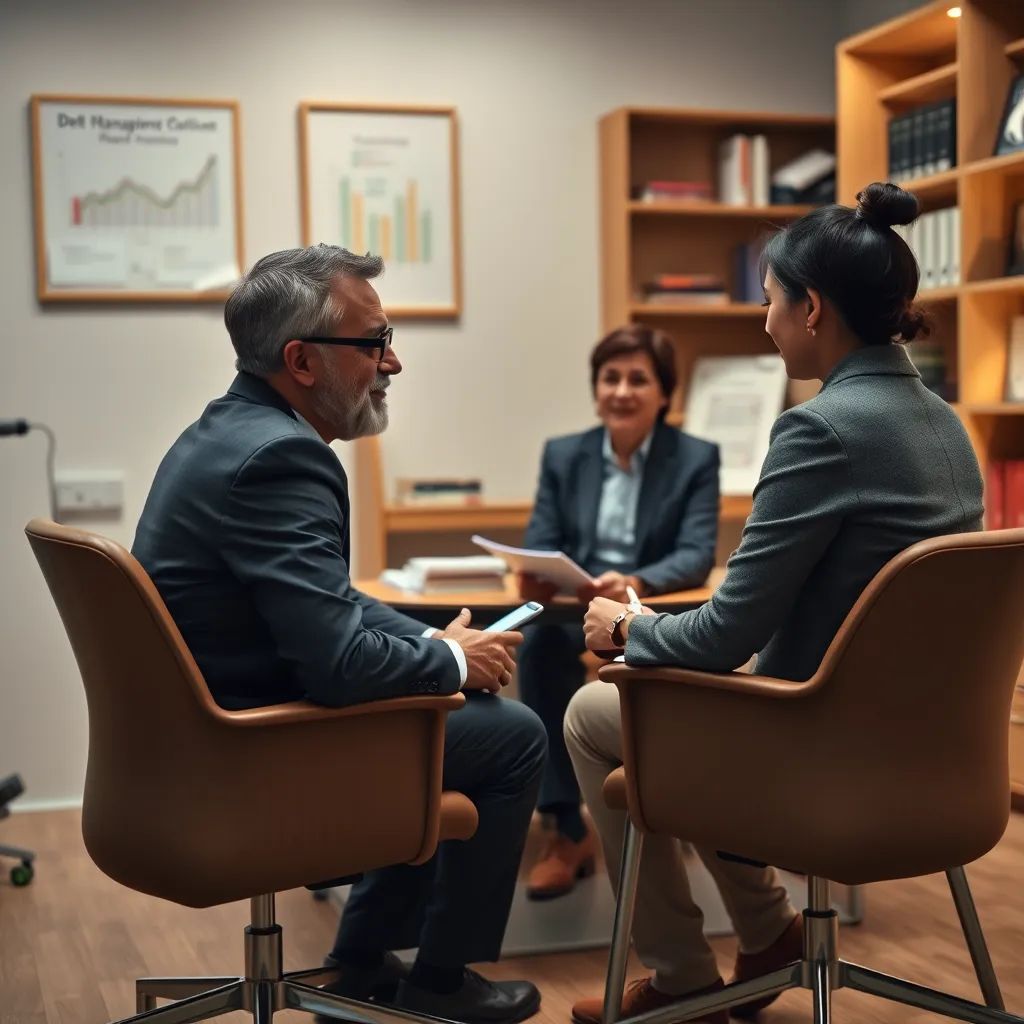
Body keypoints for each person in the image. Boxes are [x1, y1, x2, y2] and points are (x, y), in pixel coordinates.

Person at [567, 182, 985, 1024]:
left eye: (769, 302)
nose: (765, 323)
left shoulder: (819, 429)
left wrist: (631, 626)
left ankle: (684, 981)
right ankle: (767, 932)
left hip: (821, 756)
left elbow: (724, 638)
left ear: (813, 307)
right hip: (939, 760)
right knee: (689, 708)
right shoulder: (948, 423)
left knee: (588, 712)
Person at [132, 245, 547, 1024]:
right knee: (512, 734)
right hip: (250, 752)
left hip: (197, 740)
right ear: (302, 360)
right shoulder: (281, 459)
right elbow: (341, 667)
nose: (393, 363)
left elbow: (328, 604)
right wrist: (451, 661)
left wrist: (437, 646)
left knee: (432, 705)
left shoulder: (225, 432)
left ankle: (362, 964)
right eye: (375, 342)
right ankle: (441, 980)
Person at [516, 325, 720, 900]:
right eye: (611, 378)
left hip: (643, 608)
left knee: (663, 663)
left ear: (664, 394)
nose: (622, 391)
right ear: (596, 388)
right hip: (574, 609)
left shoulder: (695, 458)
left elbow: (696, 553)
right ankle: (565, 828)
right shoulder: (564, 454)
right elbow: (542, 535)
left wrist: (634, 581)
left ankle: (675, 810)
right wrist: (545, 571)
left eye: (638, 379)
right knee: (542, 649)